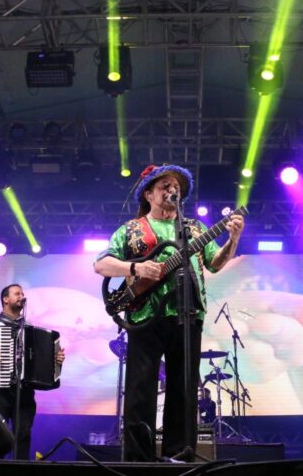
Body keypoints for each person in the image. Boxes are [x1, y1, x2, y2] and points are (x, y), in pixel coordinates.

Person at [93, 164, 244, 462]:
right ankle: (138, 460)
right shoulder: (131, 229)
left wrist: (233, 239)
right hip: (144, 317)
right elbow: (101, 264)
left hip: (187, 315)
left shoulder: (194, 228)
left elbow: (214, 263)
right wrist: (135, 268)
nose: (172, 189)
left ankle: (179, 457)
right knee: (140, 389)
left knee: (184, 390)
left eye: (176, 186)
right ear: (148, 194)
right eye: (164, 185)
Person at [0, 284, 66, 460]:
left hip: (24, 390)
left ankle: (21, 469)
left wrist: (55, 359)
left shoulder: (29, 328)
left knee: (23, 434)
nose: (21, 296)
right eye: (17, 293)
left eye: (22, 294)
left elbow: (40, 357)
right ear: (5, 299)